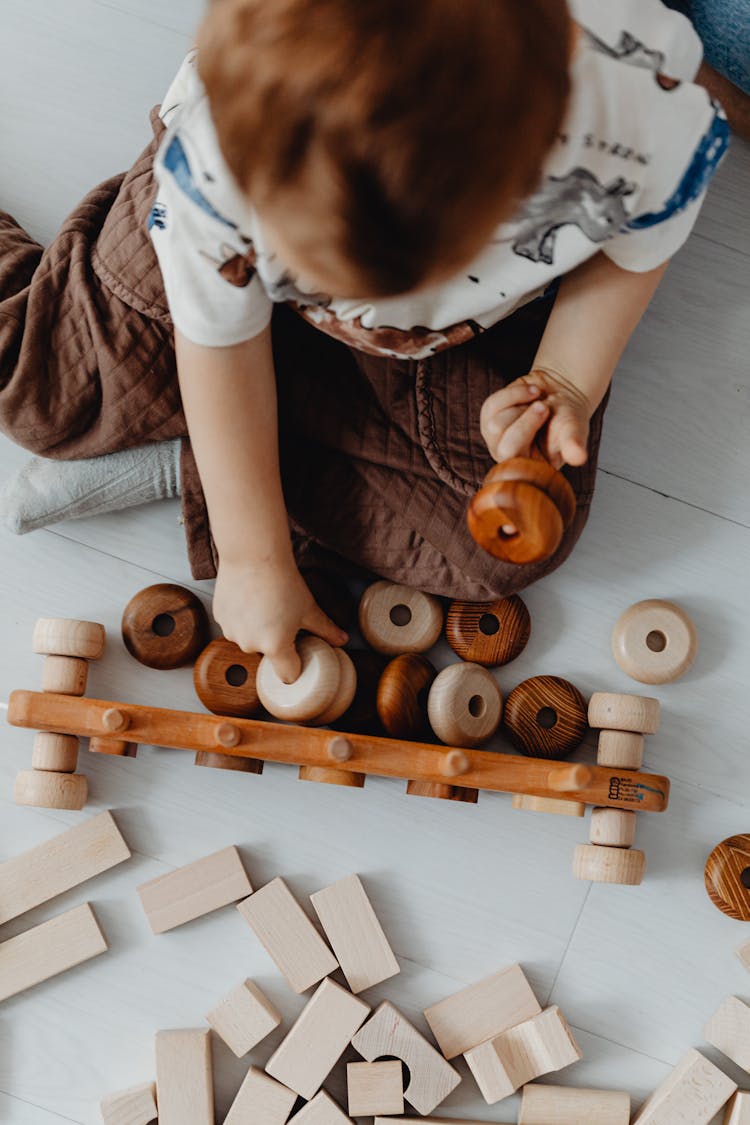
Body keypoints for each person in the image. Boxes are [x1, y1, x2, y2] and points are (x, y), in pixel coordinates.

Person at [0, 0, 728, 681]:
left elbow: (637, 242)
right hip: (214, 246)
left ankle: (186, 456)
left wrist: (566, 379)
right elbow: (219, 335)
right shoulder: (222, 156)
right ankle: (228, 454)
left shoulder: (637, 101)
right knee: (43, 392)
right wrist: (254, 558)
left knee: (504, 550)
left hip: (446, 341)